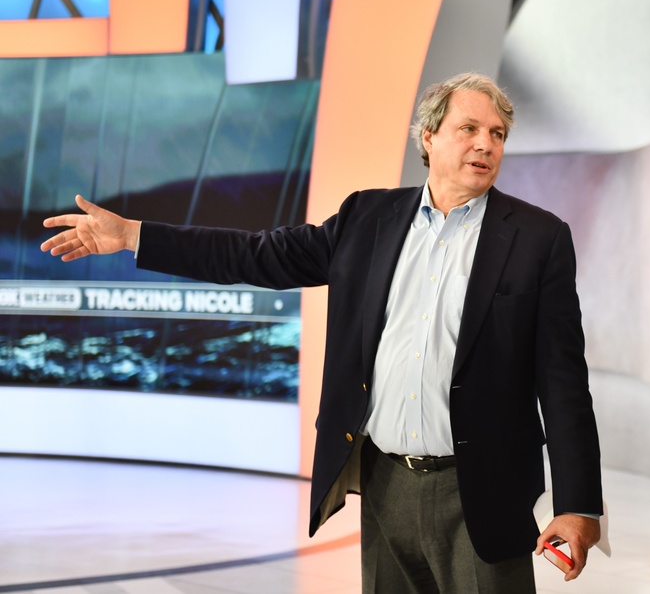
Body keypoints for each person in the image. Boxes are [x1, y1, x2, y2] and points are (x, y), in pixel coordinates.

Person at [40, 72, 603, 594]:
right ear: (429, 137)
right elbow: (256, 256)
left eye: (498, 133)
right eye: (469, 128)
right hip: (385, 486)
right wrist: (136, 235)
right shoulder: (367, 219)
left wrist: (578, 504)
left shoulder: (538, 238)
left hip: (484, 492)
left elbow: (563, 382)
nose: (486, 144)